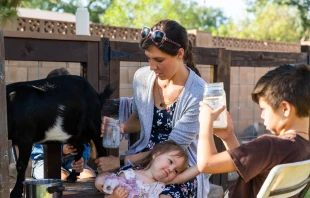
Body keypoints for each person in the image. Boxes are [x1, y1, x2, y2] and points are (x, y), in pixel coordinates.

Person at [96, 19, 210, 197]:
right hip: (144, 158)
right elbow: (139, 117)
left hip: (177, 167)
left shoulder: (198, 93)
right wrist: (121, 127)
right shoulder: (142, 78)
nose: (152, 66)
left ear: (180, 53)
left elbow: (173, 148)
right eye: (149, 58)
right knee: (107, 184)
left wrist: (120, 161)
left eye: (159, 60)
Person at [197, 63, 310, 198]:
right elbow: (248, 165)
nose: (262, 116)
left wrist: (205, 124)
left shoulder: (269, 146)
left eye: (263, 109)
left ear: (285, 108)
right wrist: (229, 137)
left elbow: (206, 164)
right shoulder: (303, 148)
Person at [30, 67, 96, 181]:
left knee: (89, 176)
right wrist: (62, 150)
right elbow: (37, 151)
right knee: (60, 177)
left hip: (71, 163)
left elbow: (85, 144)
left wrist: (80, 159)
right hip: (44, 162)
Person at [95, 140, 199, 198]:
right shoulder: (128, 175)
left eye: (176, 171)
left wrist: (204, 164)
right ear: (156, 154)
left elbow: (186, 175)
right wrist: (115, 196)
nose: (171, 169)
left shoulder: (162, 185)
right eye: (170, 161)